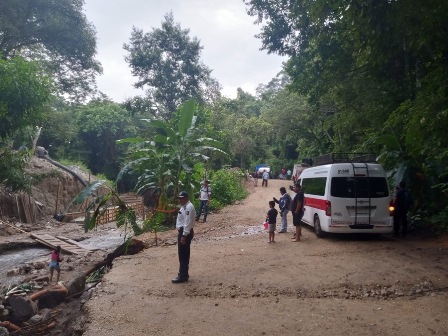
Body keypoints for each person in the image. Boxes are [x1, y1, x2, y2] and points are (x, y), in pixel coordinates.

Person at [172, 191, 196, 283]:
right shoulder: (184, 206)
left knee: (183, 254)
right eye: (179, 198)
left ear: (186, 198)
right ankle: (184, 273)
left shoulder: (188, 207)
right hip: (184, 231)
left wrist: (184, 235)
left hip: (184, 232)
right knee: (183, 254)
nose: (180, 200)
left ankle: (183, 275)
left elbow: (188, 222)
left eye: (182, 198)